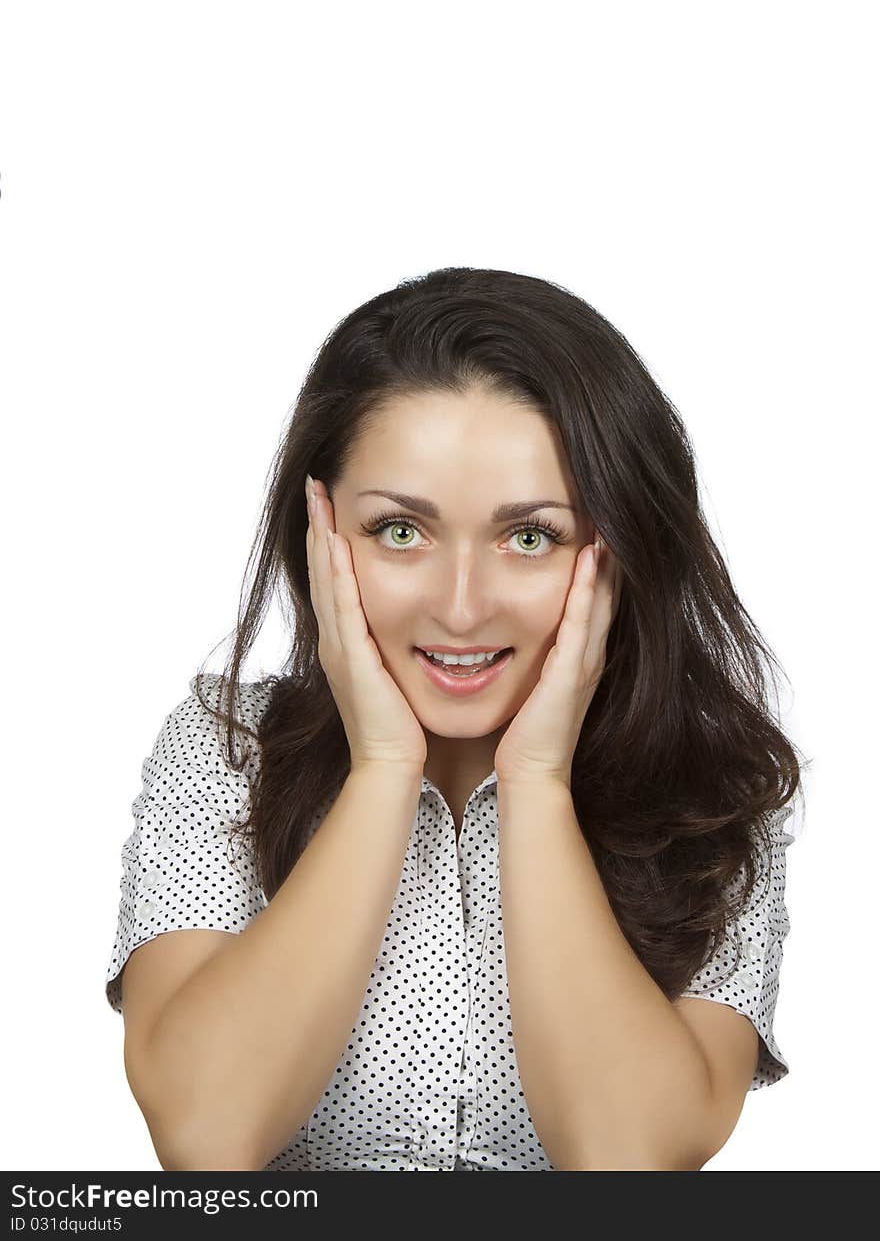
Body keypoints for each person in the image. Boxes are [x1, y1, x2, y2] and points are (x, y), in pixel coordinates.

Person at [104, 266, 804, 1171]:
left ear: (622, 549)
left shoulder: (715, 792)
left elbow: (629, 1167)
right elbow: (204, 1141)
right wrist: (383, 769)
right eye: (402, 530)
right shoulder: (224, 747)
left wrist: (539, 788)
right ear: (320, 538)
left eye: (531, 536)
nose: (462, 608)